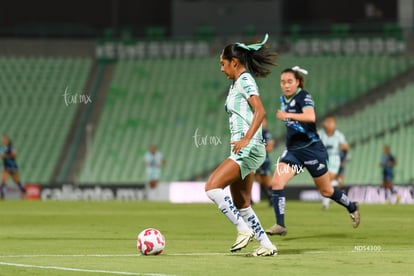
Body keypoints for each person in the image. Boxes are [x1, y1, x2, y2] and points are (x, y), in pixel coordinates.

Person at [205, 34, 278, 257]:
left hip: (249, 146)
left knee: (212, 187)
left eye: (222, 63)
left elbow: (261, 110)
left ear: (234, 62)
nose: (221, 68)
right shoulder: (238, 82)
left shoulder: (245, 80)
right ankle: (267, 245)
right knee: (242, 202)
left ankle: (242, 228)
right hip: (246, 147)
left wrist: (246, 138)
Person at [265, 66, 360, 236]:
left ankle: (352, 206)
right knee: (277, 184)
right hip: (293, 152)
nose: (286, 85)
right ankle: (280, 225)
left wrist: (287, 116)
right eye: (283, 82)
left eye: (289, 82)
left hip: (312, 151)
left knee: (326, 191)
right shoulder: (283, 99)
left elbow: (311, 117)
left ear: (297, 82)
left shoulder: (304, 96)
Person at [317, 116, 350, 210]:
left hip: (334, 158)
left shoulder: (338, 135)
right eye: (328, 122)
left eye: (331, 123)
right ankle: (333, 192)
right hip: (322, 158)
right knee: (324, 180)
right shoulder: (320, 134)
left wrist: (343, 148)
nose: (330, 125)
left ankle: (325, 203)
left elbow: (346, 146)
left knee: (328, 177)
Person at [255, 117, 275, 206]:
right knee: (259, 180)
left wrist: (258, 150)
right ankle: (271, 199)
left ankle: (274, 198)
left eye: (263, 121)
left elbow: (270, 147)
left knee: (266, 181)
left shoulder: (266, 133)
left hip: (264, 160)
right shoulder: (254, 133)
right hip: (254, 160)